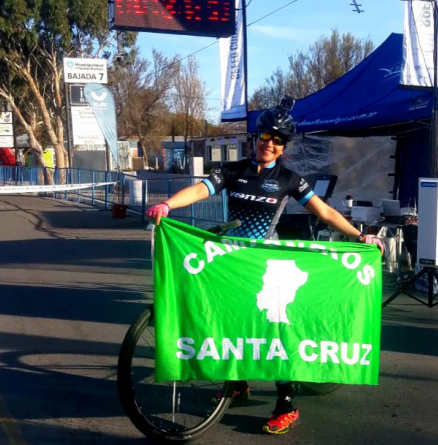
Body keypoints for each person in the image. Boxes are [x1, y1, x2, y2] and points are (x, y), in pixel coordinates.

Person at [146, 101, 383, 435]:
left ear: (283, 147)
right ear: (255, 138)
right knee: (230, 323)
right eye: (264, 136)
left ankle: (287, 404)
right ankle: (237, 385)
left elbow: (324, 212)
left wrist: (361, 236)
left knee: (274, 330)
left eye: (276, 140)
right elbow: (200, 190)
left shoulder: (288, 178)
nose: (268, 143)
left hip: (263, 263)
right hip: (231, 262)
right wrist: (168, 203)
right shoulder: (234, 170)